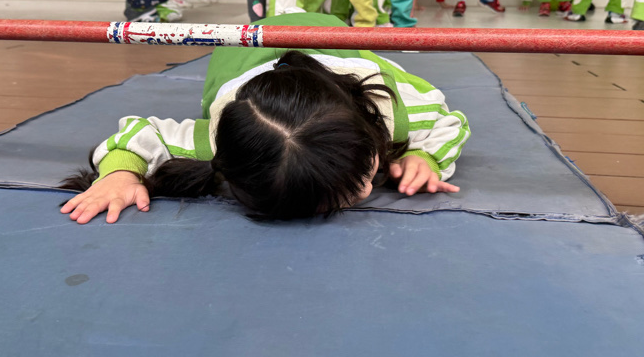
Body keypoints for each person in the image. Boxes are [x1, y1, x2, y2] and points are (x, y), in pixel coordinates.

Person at [60, 12, 469, 223]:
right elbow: (140, 133)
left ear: (367, 131)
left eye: (362, 172)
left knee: (388, 73)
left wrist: (425, 157)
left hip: (330, 37)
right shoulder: (225, 141)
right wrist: (120, 174)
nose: (364, 191)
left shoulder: (391, 108)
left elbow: (448, 120)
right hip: (237, 52)